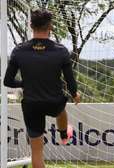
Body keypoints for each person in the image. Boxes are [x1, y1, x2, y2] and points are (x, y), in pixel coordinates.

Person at [4, 9, 80, 168]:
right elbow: (70, 80)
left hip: (31, 104)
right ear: (50, 27)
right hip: (54, 102)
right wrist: (75, 94)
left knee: (37, 152)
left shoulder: (19, 51)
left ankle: (64, 132)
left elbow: (8, 81)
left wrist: (24, 83)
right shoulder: (61, 51)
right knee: (61, 108)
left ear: (31, 26)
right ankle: (64, 133)